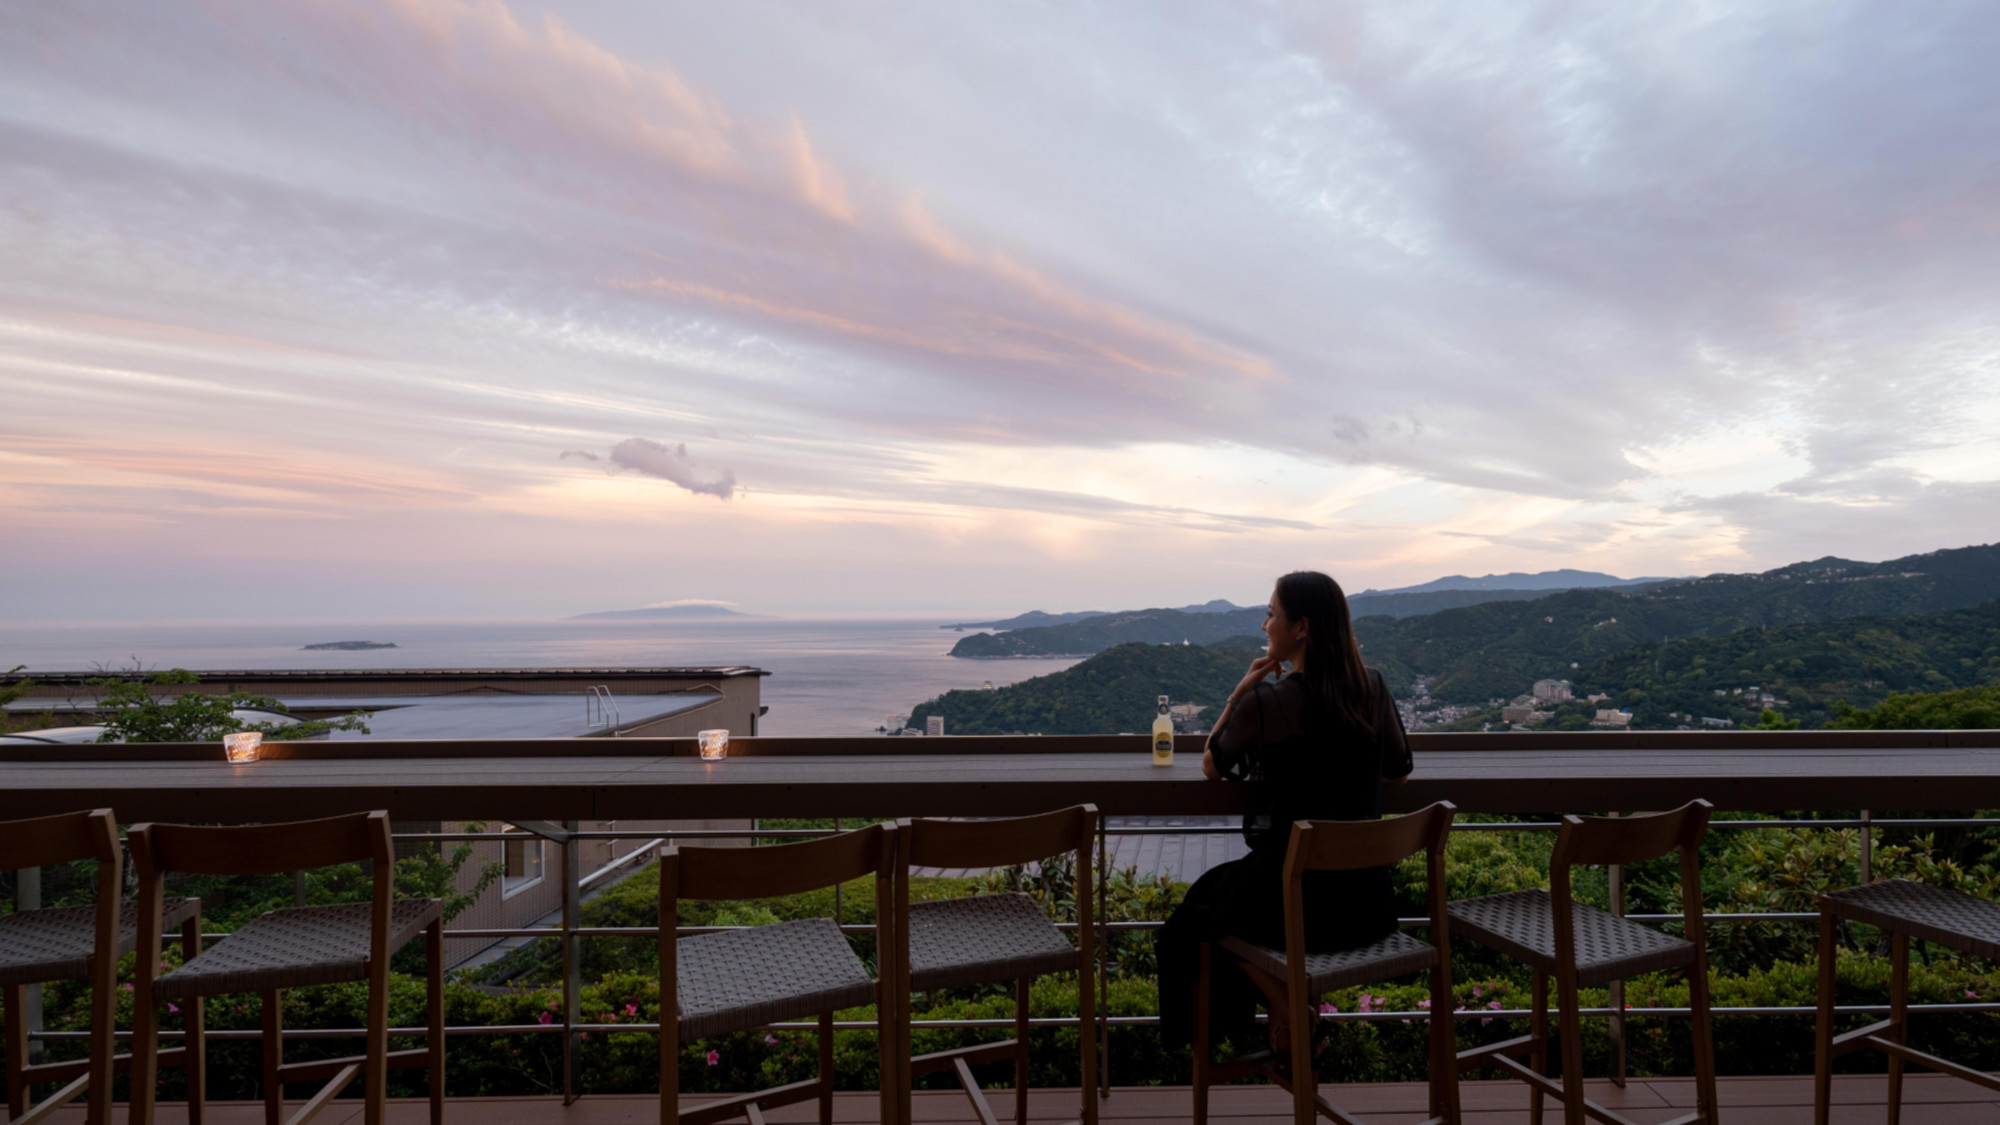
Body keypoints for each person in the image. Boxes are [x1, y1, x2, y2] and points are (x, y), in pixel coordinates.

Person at [1155, 570, 1413, 1058]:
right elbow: (1398, 772)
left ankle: (1287, 1010)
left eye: (1271, 613)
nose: (1263, 625)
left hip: (1296, 907)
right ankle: (1288, 1025)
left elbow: (1213, 765)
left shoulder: (1268, 702)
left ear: (1301, 628)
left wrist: (1238, 694)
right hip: (1368, 905)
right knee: (1215, 903)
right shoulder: (1372, 687)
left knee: (1196, 919)